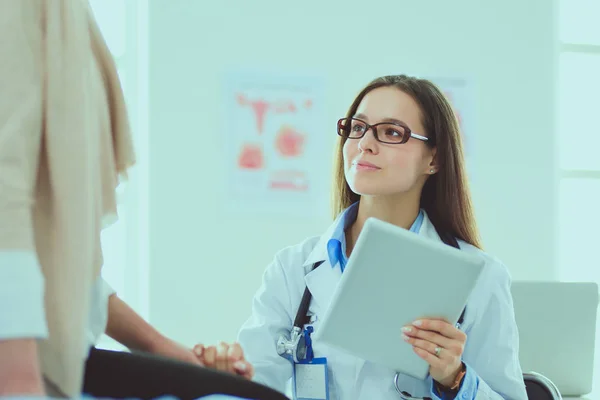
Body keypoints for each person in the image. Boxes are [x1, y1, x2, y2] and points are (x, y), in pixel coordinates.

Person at [0, 1, 264, 399]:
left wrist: (160, 347)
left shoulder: (69, 17)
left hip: (62, 341)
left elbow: (69, 265)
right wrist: (16, 371)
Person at [230, 74, 528, 399]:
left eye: (391, 132)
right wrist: (226, 372)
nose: (365, 144)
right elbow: (250, 385)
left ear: (434, 158)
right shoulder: (292, 270)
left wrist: (455, 378)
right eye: (357, 128)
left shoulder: (482, 278)